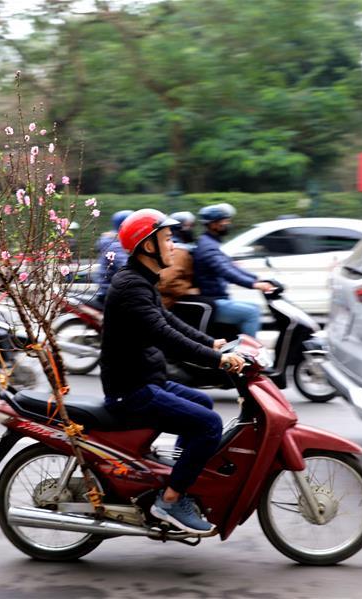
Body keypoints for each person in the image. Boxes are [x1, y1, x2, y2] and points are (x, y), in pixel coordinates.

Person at [101, 208, 245, 534]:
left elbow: (169, 322)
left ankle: (182, 474)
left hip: (147, 380)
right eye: (167, 239)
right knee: (209, 425)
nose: (174, 246)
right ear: (148, 246)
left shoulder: (142, 281)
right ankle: (170, 499)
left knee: (204, 405)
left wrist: (213, 343)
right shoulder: (131, 287)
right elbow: (165, 336)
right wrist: (216, 360)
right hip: (131, 391)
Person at [192, 203, 274, 337]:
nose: (228, 223)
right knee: (251, 313)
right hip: (214, 300)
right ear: (213, 224)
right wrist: (254, 284)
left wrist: (256, 278)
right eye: (225, 221)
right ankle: (247, 356)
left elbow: (230, 265)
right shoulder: (208, 247)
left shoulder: (210, 243)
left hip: (218, 297)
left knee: (254, 308)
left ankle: (239, 348)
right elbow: (225, 271)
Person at [91, 210, 132, 308]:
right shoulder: (114, 244)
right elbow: (126, 266)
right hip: (111, 293)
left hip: (118, 290)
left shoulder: (118, 241)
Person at [157, 211, 199, 309]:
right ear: (179, 228)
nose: (192, 229)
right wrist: (187, 290)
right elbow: (166, 281)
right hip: (166, 305)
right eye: (190, 226)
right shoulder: (177, 251)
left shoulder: (177, 247)